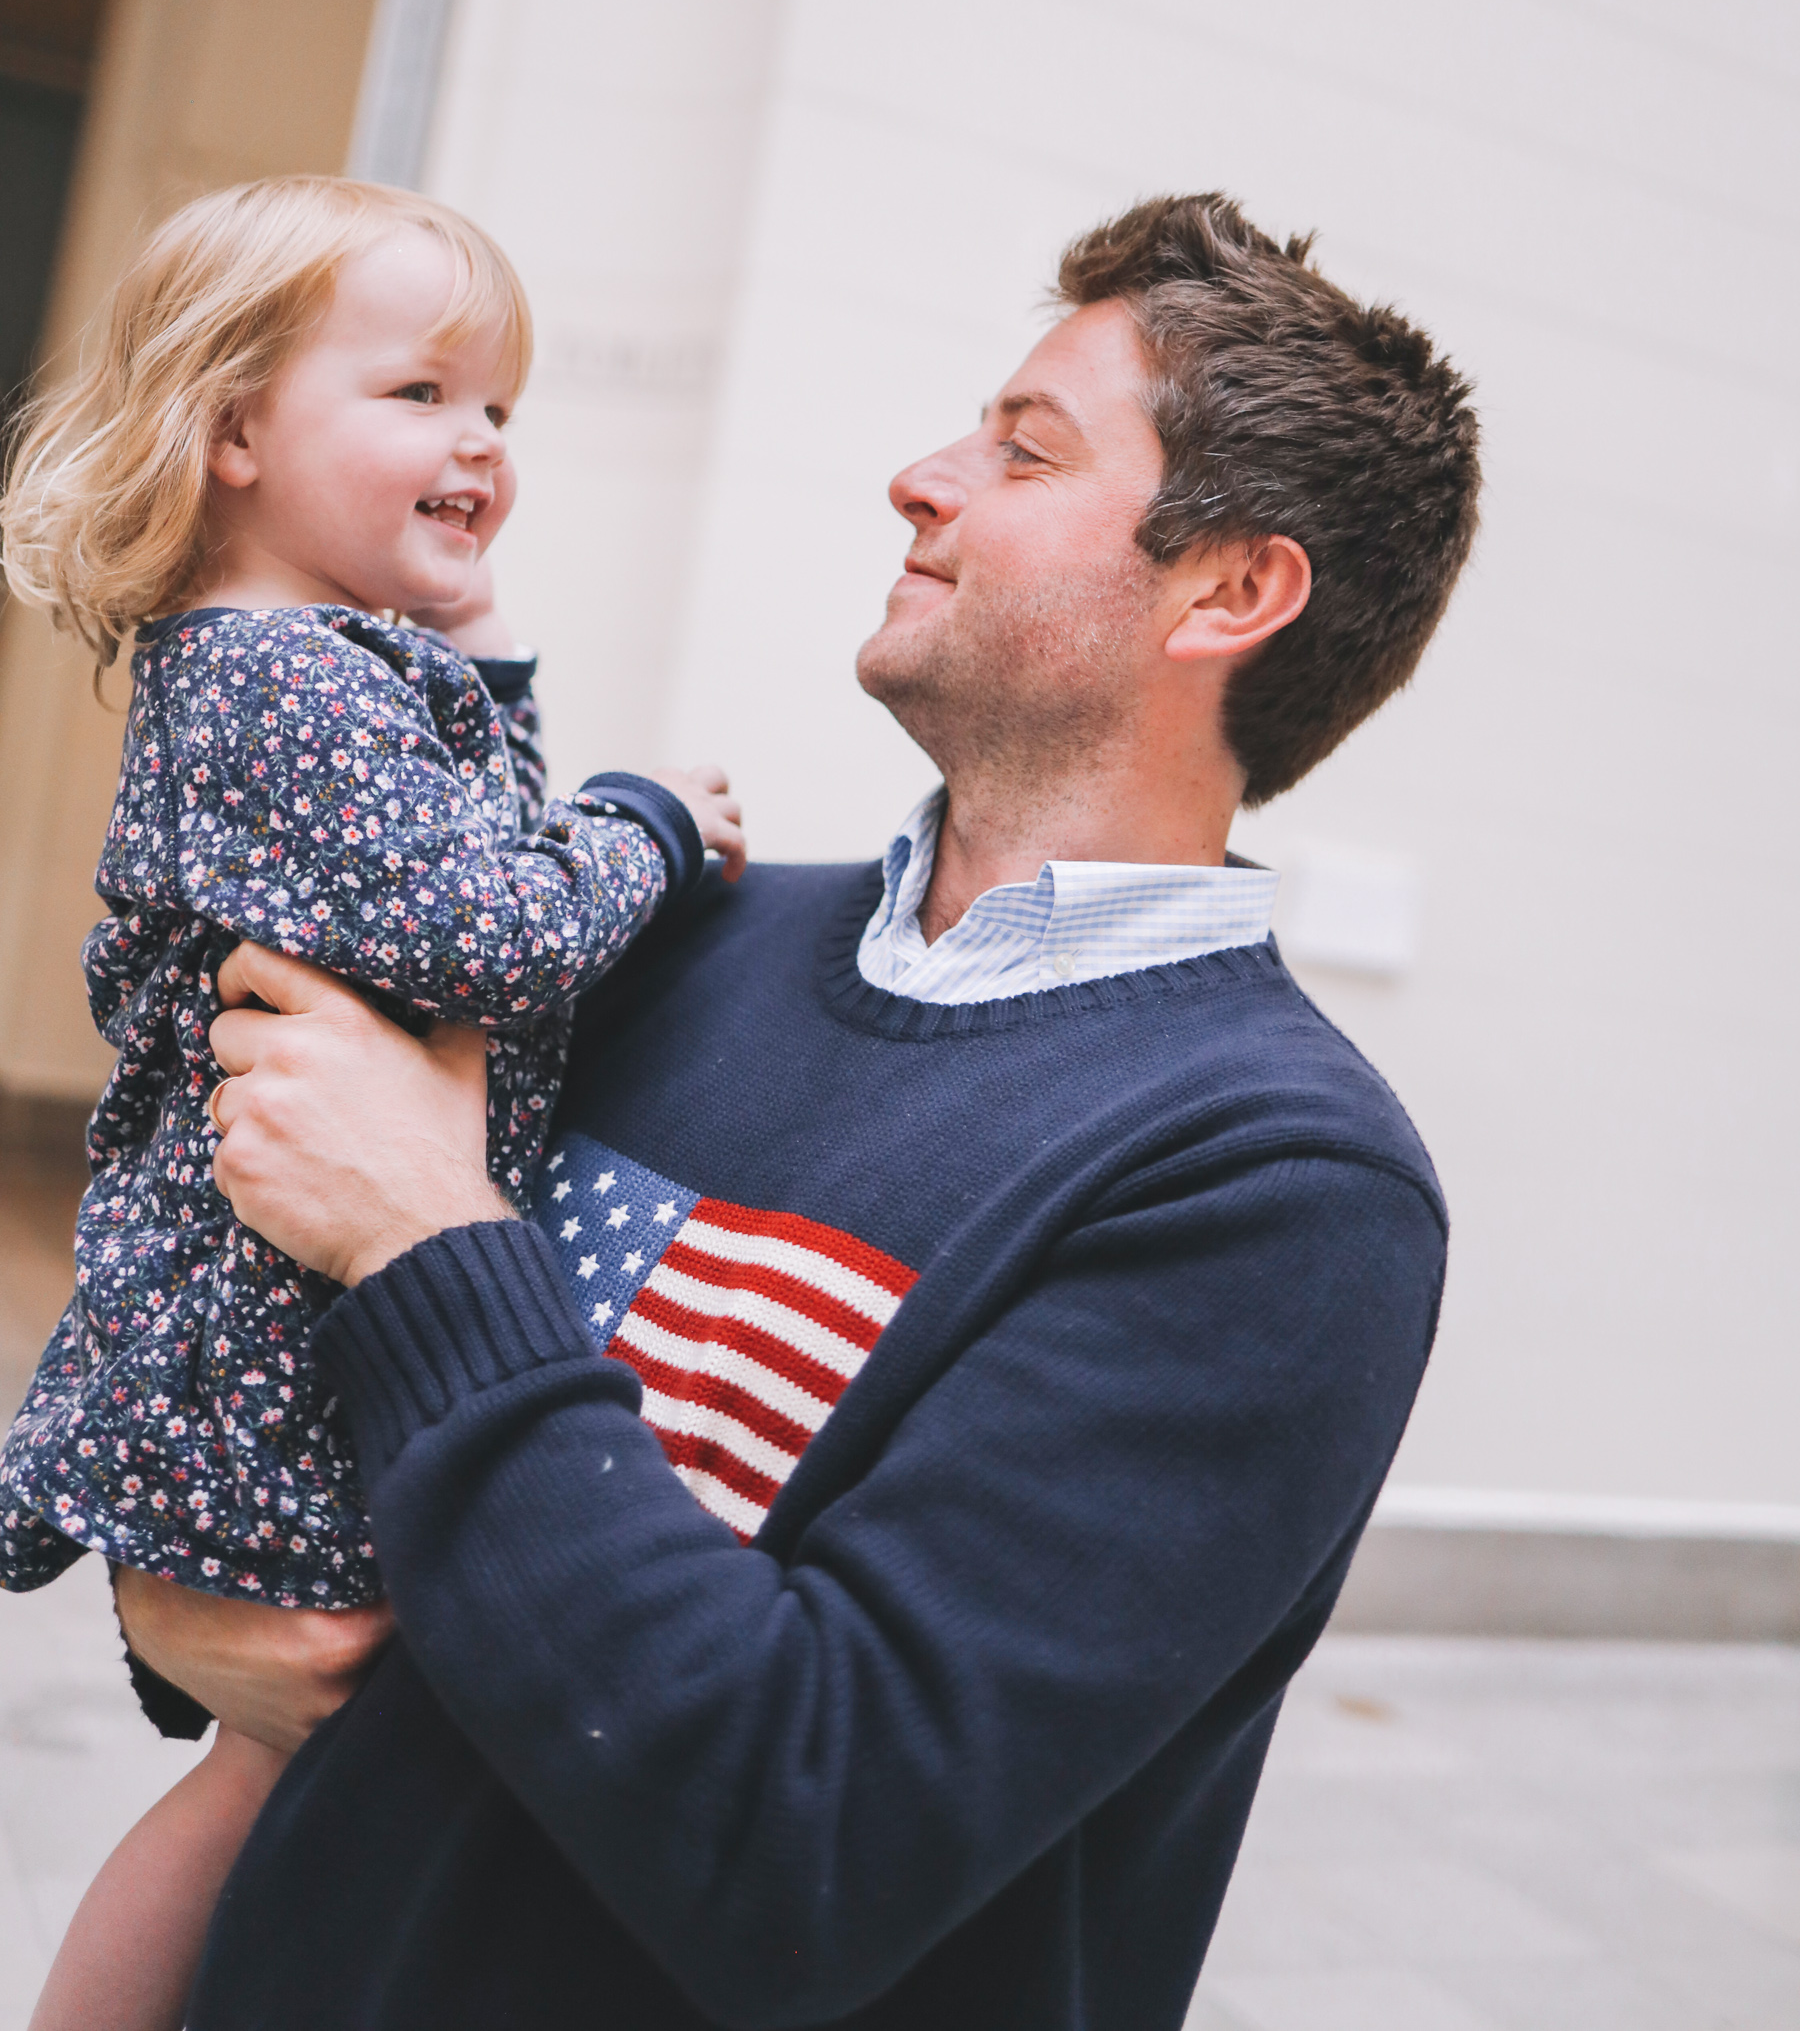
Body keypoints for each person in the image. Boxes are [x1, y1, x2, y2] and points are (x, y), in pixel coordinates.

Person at [115, 193, 1480, 2030]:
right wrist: (171, 1604)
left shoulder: (1280, 1190)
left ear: (1228, 590)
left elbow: (809, 1838)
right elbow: (303, 1427)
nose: (922, 478)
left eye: (1022, 448)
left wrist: (433, 1237)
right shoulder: (678, 936)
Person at [0, 176, 743, 2031]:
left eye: (500, 407)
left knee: (298, 1786)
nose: (480, 441)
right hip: (273, 1328)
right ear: (233, 429)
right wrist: (649, 819)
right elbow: (495, 932)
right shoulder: (279, 687)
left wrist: (484, 675)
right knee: (280, 1771)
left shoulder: (317, 674)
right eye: (420, 395)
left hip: (281, 1308)